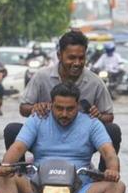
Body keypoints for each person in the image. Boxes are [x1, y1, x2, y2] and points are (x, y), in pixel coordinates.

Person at [0, 82, 124, 193]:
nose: (64, 114)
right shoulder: (37, 119)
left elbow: (108, 152)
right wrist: (6, 165)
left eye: (70, 109)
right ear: (51, 104)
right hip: (37, 190)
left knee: (118, 186)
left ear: (77, 105)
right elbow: (17, 148)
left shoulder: (92, 123)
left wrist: (112, 170)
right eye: (59, 108)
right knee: (2, 177)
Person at [8, 30, 121, 172]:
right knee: (12, 130)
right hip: (44, 140)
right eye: (71, 58)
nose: (77, 63)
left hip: (81, 142)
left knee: (113, 131)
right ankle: (19, 175)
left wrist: (98, 116)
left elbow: (109, 116)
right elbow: (23, 108)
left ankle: (104, 176)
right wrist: (35, 108)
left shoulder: (95, 82)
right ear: (59, 55)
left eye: (81, 58)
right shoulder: (41, 77)